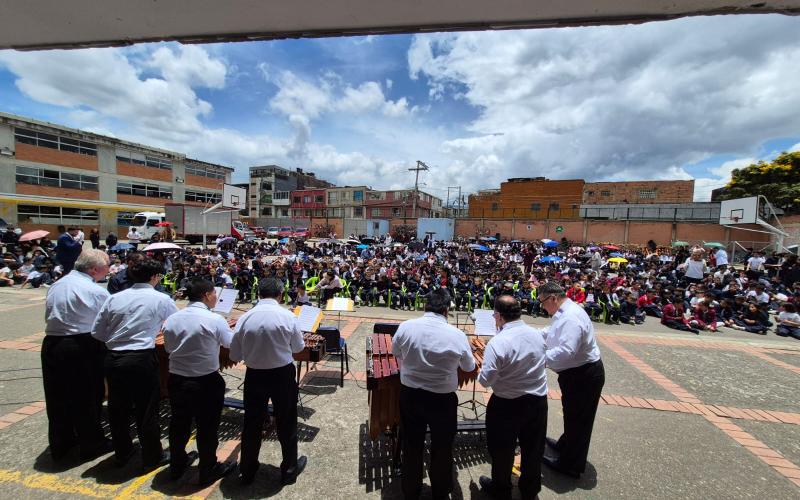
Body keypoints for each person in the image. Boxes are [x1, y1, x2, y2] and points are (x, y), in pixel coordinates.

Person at [91, 258, 179, 470]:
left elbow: (97, 332)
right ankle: (152, 455)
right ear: (155, 277)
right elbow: (176, 327)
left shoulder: (114, 298)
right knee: (147, 409)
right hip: (141, 358)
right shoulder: (161, 299)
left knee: (117, 408)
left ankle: (123, 452)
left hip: (113, 358)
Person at [392, 288, 476, 499]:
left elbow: (396, 352)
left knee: (412, 443)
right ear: (447, 310)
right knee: (442, 445)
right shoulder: (457, 335)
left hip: (411, 395)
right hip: (442, 400)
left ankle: (411, 490)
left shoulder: (406, 326)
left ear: (424, 305)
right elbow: (468, 367)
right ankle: (440, 491)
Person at [229, 278, 308, 485]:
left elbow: (235, 353)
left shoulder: (245, 317)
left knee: (252, 422)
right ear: (280, 294)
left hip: (254, 375)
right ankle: (289, 469)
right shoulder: (287, 316)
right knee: (287, 420)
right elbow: (298, 348)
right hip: (282, 374)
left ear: (259, 294)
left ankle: (247, 470)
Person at [161, 278, 237, 485]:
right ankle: (208, 468)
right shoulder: (215, 319)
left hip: (177, 379)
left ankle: (177, 464)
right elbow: (229, 343)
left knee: (179, 424)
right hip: (205, 381)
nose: (216, 297)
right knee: (207, 427)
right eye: (214, 294)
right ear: (206, 295)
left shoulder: (173, 319)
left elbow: (168, 349)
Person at [42, 249, 111, 461]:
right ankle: (92, 443)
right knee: (88, 396)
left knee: (57, 397)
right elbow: (109, 322)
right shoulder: (95, 291)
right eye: (107, 266)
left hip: (52, 344)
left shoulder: (58, 284)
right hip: (81, 345)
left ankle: (61, 444)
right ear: (94, 269)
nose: (109, 269)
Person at [478, 295, 548, 500]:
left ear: (498, 316)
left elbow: (485, 381)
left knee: (502, 449)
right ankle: (530, 489)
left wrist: (485, 364)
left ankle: (501, 488)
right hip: (537, 401)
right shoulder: (537, 335)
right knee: (533, 448)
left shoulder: (498, 342)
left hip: (506, 404)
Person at [537, 282, 604, 479]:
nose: (542, 306)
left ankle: (570, 465)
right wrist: (527, 336)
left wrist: (535, 358)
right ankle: (565, 445)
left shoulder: (571, 317)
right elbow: (551, 334)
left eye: (542, 302)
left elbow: (566, 352)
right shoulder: (562, 312)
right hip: (575, 373)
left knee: (579, 419)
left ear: (553, 298)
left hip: (583, 374)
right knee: (572, 414)